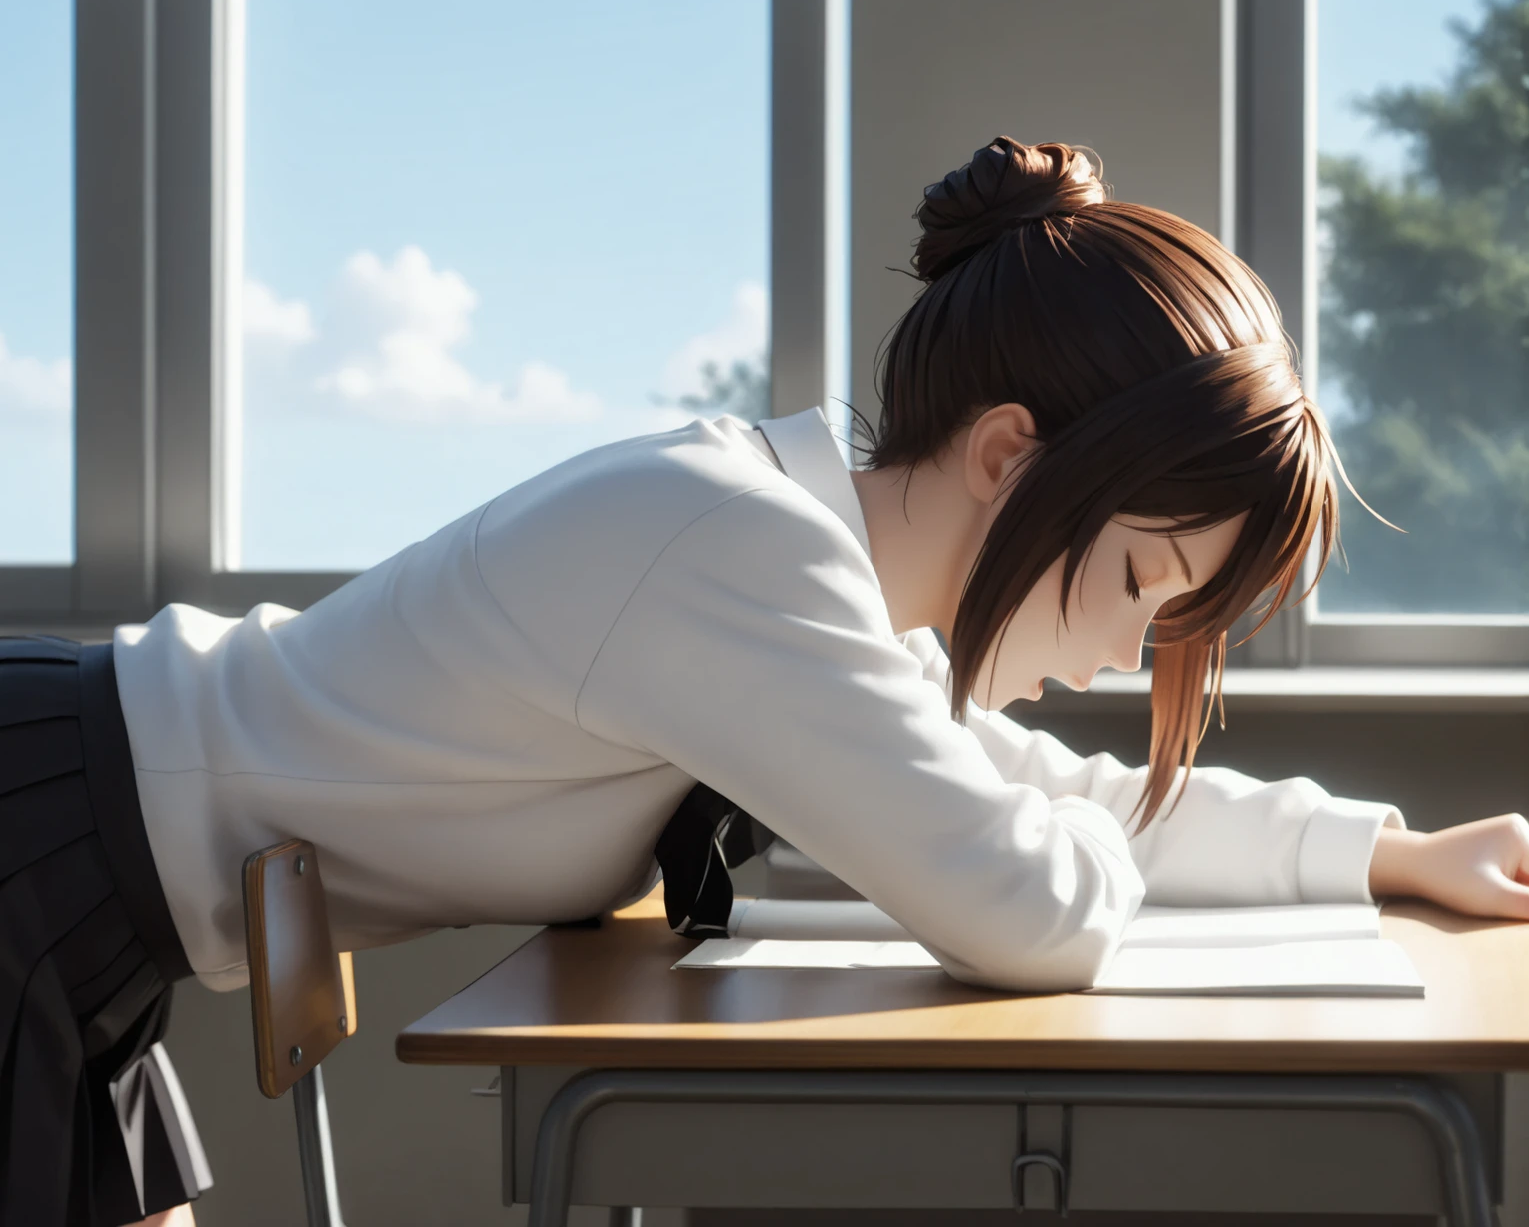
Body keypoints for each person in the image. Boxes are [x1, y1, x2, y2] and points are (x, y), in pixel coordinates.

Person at [6, 137, 1527, 1227]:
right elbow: (1035, 905)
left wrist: (1391, 853)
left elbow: (1045, 804)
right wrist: (1020, 843)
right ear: (1009, 457)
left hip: (89, 893)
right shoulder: (736, 555)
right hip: (33, 854)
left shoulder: (803, 579)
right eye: (1140, 584)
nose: (1127, 659)